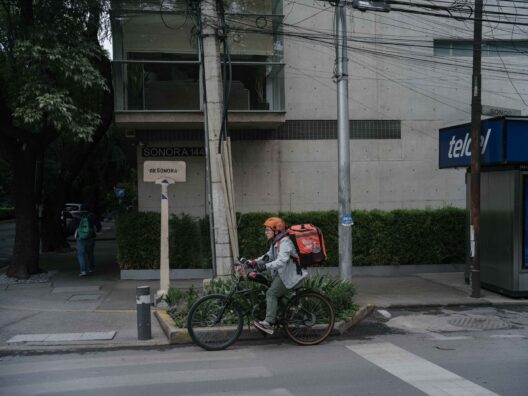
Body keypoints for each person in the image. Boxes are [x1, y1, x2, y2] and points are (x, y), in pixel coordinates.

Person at [244, 217, 308, 335]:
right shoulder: (276, 242)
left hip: (291, 275)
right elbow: (267, 257)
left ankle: (268, 323)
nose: (265, 233)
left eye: (268, 230)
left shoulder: (285, 242)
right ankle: (287, 313)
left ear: (276, 231)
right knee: (272, 290)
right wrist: (252, 262)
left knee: (271, 293)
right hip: (283, 274)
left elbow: (281, 261)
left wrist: (264, 267)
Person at [71, 208, 102, 276]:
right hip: (90, 237)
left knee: (81, 254)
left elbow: (71, 227)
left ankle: (83, 270)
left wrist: (77, 230)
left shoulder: (77, 216)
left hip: (80, 237)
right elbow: (99, 226)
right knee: (90, 253)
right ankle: (90, 268)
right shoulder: (92, 216)